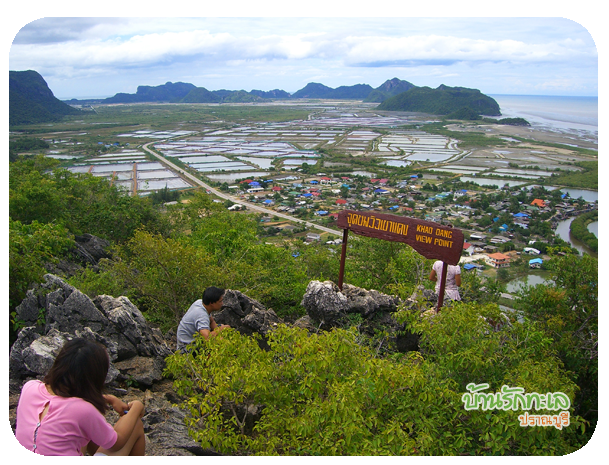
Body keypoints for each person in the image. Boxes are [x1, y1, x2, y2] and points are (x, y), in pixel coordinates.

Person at [15, 338, 145, 456]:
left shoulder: (29, 388)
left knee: (80, 433)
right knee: (135, 425)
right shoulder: (83, 410)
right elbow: (118, 442)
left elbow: (61, 403)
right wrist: (137, 408)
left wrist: (107, 399)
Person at [176, 286, 231, 351]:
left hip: (196, 338)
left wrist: (219, 329)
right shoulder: (201, 315)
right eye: (220, 301)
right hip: (186, 347)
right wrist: (220, 330)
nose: (222, 303)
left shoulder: (201, 303)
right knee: (220, 342)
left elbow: (211, 321)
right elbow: (207, 338)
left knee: (225, 330)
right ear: (212, 303)